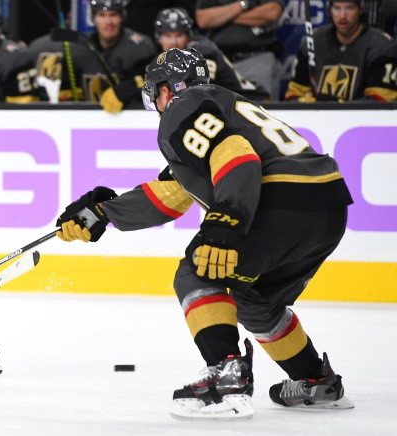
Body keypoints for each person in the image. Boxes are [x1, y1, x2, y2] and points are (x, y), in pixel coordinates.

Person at [55, 48, 355, 419]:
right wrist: (102, 214)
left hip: (278, 203)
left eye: (155, 93)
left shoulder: (184, 105)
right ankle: (315, 380)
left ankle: (226, 375)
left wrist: (226, 221)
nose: (157, 102)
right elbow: (172, 194)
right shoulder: (220, 104)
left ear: (166, 89)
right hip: (327, 207)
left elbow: (237, 157)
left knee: (198, 270)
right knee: (255, 301)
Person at [285, 0, 397, 102]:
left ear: (361, 10)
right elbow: (293, 96)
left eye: (349, 8)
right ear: (329, 10)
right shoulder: (311, 42)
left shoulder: (381, 46)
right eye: (337, 8)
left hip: (361, 122)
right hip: (317, 122)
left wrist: (336, 107)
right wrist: (310, 105)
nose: (342, 16)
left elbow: (380, 102)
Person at [154, 7, 270, 100]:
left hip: (252, 101)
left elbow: (201, 88)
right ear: (159, 38)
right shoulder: (164, 58)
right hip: (226, 103)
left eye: (179, 36)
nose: (174, 42)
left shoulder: (203, 52)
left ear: (188, 36)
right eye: (168, 36)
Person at [195, 0, 284, 100]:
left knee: (263, 108)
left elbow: (272, 13)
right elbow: (203, 19)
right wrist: (242, 5)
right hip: (222, 64)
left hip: (256, 59)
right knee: (222, 107)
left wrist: (224, 16)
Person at [83, 0, 156, 113]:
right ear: (93, 18)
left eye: (113, 15)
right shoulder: (80, 46)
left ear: (122, 16)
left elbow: (156, 84)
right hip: (83, 119)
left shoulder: (140, 46)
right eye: (102, 15)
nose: (108, 21)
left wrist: (129, 90)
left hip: (132, 119)